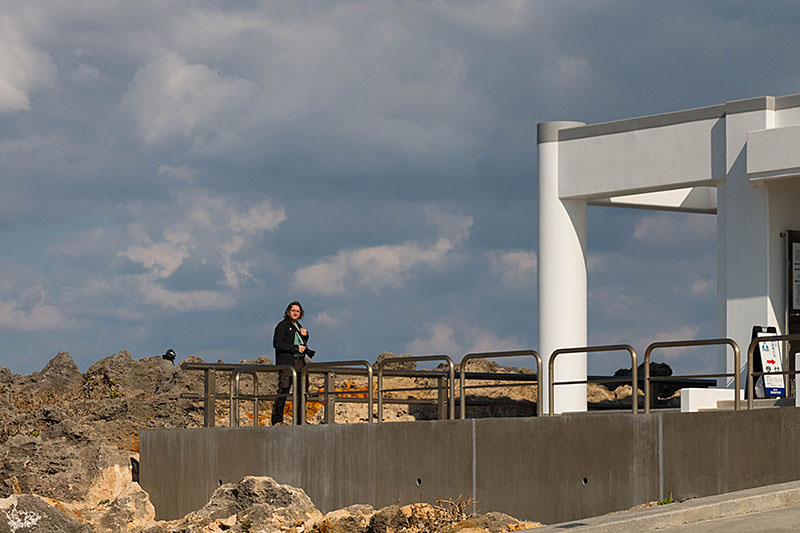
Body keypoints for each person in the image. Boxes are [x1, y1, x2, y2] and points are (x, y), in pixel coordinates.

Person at [271, 301, 312, 425]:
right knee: (283, 390)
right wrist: (295, 348)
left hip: (300, 362)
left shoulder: (299, 327)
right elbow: (277, 343)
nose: (295, 313)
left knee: (302, 391)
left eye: (298, 311)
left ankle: (300, 420)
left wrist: (305, 337)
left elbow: (302, 344)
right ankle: (277, 419)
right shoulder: (282, 326)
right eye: (293, 310)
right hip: (287, 363)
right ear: (288, 312)